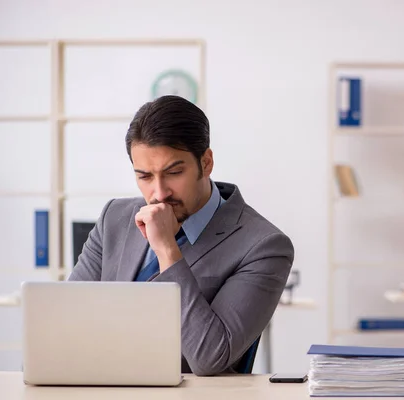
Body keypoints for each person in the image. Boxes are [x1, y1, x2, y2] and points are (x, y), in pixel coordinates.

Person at [68, 95, 294, 376]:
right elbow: (68, 321)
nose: (159, 193)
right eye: (145, 177)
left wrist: (166, 249)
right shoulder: (114, 217)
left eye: (174, 172)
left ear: (206, 162)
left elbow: (209, 358)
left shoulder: (264, 246)